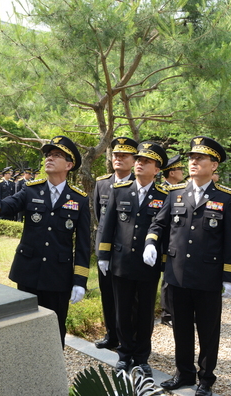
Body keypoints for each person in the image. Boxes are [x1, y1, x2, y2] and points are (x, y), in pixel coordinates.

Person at [0, 136, 90, 347]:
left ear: (69, 165)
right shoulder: (31, 189)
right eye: (48, 155)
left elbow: (83, 244)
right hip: (28, 270)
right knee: (25, 327)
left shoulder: (79, 198)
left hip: (58, 275)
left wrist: (79, 281)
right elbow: (7, 205)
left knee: (54, 328)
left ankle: (52, 373)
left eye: (57, 155)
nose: (49, 158)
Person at [145, 136, 231, 396]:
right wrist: (151, 243)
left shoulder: (226, 197)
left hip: (208, 276)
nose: (193, 162)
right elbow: (159, 224)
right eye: (191, 158)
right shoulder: (175, 193)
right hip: (176, 274)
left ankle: (206, 379)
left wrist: (230, 276)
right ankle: (183, 372)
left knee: (208, 332)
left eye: (200, 158)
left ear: (214, 165)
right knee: (181, 328)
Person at [97, 141, 168, 377]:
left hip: (148, 265)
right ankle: (124, 354)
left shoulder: (165, 196)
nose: (139, 164)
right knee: (122, 310)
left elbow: (166, 232)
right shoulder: (120, 190)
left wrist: (165, 262)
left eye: (146, 161)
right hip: (121, 262)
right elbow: (108, 226)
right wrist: (104, 255)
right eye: (138, 160)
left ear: (157, 169)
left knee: (146, 312)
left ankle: (141, 356)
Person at [93, 136, 138, 350]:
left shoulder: (139, 185)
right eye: (115, 155)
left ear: (133, 160)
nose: (118, 159)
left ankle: (131, 337)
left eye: (124, 156)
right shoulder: (102, 184)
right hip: (105, 252)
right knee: (107, 295)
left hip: (128, 252)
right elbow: (99, 218)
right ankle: (111, 334)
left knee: (131, 299)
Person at [159, 154, 186, 326]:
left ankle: (173, 311)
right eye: (180, 169)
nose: (183, 171)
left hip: (175, 241)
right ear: (171, 172)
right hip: (163, 242)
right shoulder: (163, 190)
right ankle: (166, 314)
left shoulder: (180, 190)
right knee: (167, 280)